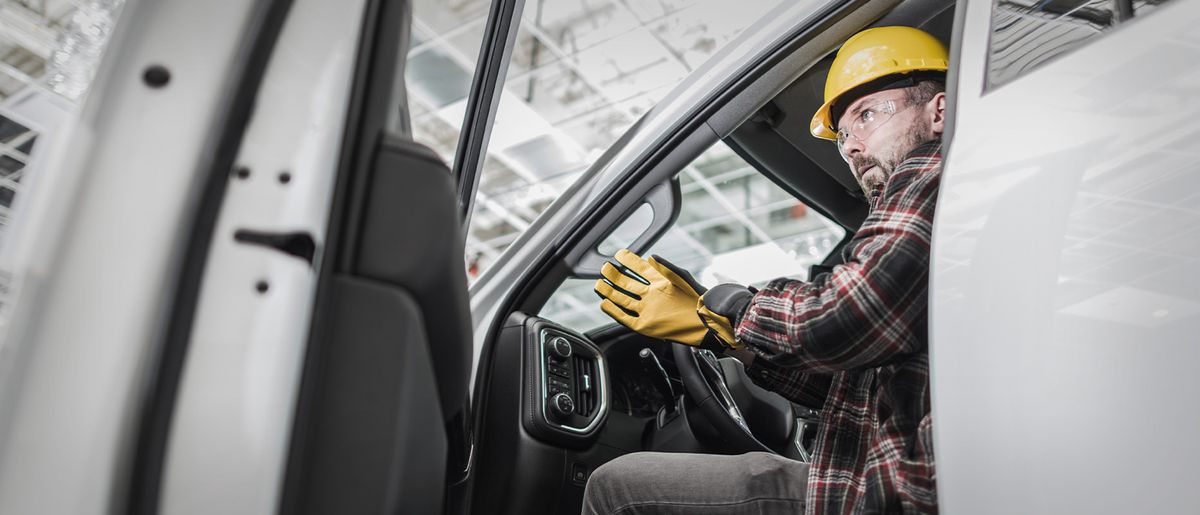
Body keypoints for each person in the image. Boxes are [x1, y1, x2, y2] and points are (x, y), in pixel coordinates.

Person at [585, 26, 949, 514]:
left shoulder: (930, 172)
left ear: (939, 112)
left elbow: (848, 316)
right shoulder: (933, 214)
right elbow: (854, 384)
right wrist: (722, 339)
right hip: (868, 485)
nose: (853, 147)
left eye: (866, 115)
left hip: (883, 498)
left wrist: (730, 306)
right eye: (842, 137)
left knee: (617, 488)